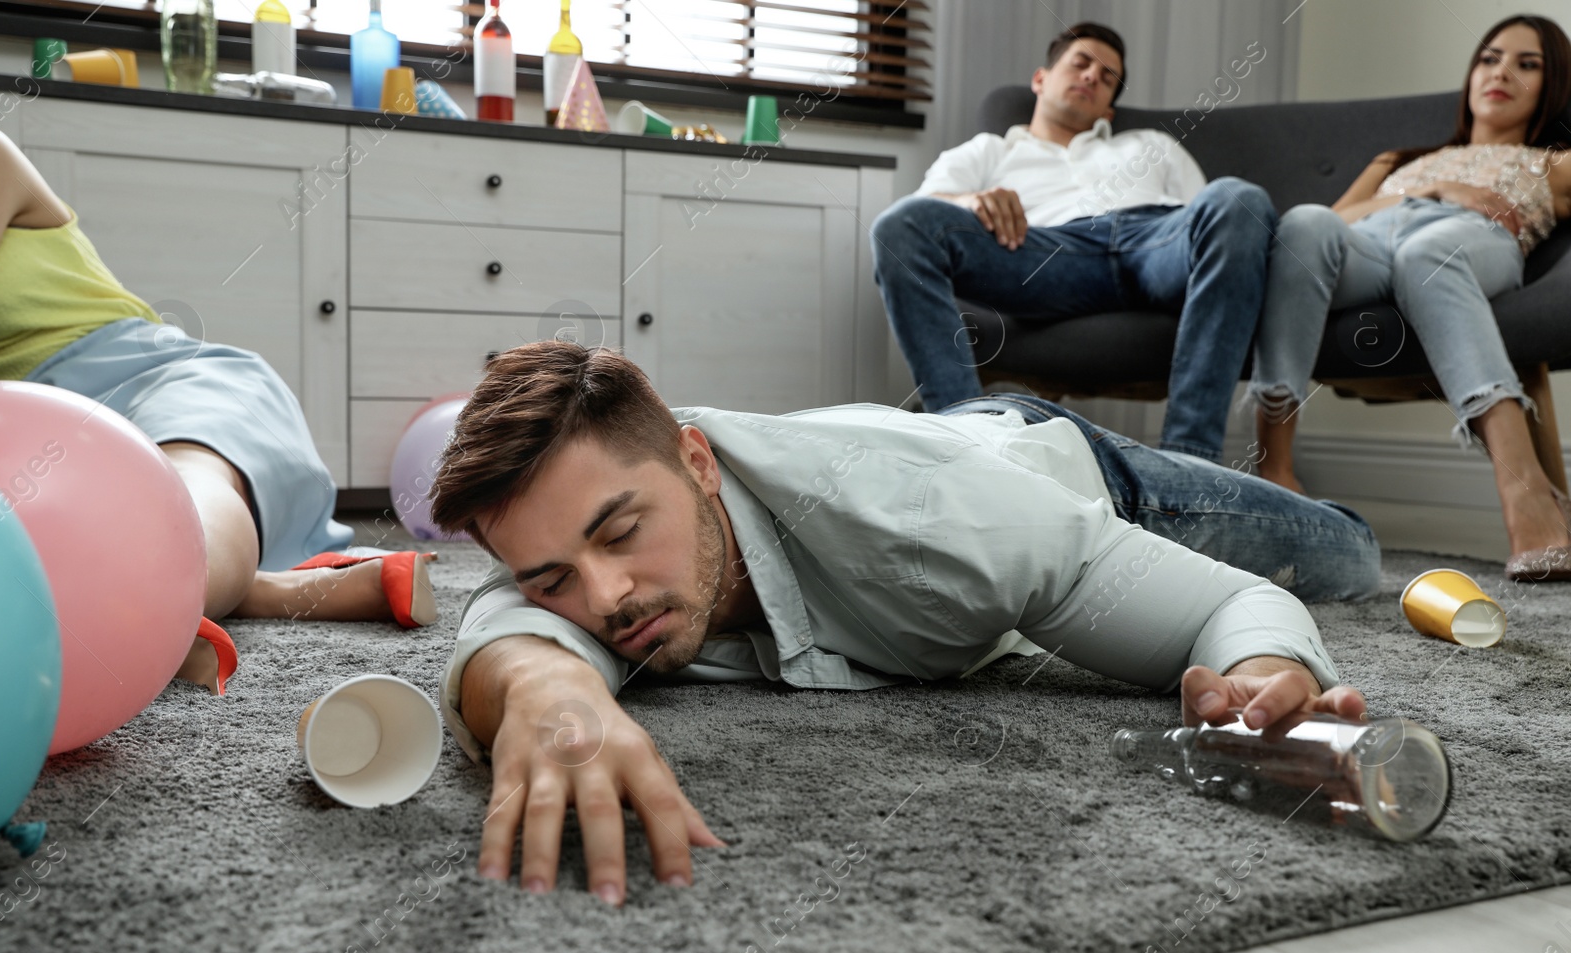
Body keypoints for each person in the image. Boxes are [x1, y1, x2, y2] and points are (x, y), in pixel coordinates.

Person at [426, 341, 1380, 905]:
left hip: (1069, 471)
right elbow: (506, 630)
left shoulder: (943, 525)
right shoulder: (585, 578)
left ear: (697, 462)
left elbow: (1226, 603)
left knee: (1347, 556)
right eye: (554, 575)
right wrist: (546, 684)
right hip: (943, 435)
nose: (606, 600)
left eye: (624, 532)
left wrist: (1257, 669)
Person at [0, 121, 437, 696]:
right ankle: (256, 592)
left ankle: (153, 601)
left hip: (149, 378)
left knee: (183, 481)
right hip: (19, 452)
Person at [1249, 15, 1571, 581]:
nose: (1501, 72)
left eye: (1528, 64)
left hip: (1467, 244)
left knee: (1428, 253)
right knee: (1302, 224)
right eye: (1490, 58)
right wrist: (1435, 186)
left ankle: (1527, 494)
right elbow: (1335, 218)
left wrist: (1457, 204)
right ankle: (1275, 466)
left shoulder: (1552, 162)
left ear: (1553, 85)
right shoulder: (1397, 160)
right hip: (1372, 243)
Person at [870, 21, 1276, 462]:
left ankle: (1189, 462)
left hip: (1156, 241)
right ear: (1040, 79)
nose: (1091, 78)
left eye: (1107, 79)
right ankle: (970, 446)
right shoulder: (989, 151)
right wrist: (972, 200)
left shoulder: (1153, 143)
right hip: (1043, 253)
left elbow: (1216, 225)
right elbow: (922, 212)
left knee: (1240, 198)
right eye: (1081, 63)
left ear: (1108, 111)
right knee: (899, 227)